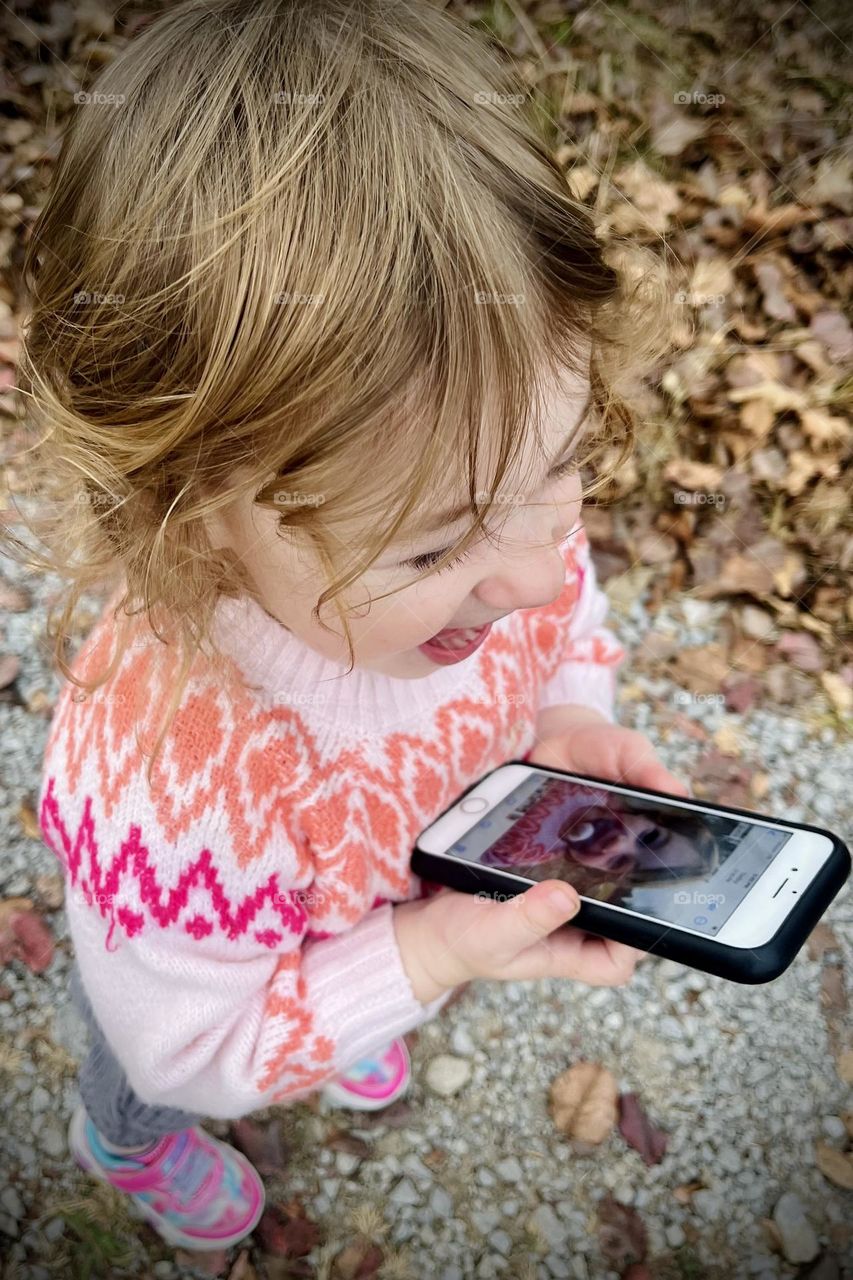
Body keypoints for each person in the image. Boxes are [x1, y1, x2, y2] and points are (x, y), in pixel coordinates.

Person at [10, 0, 688, 1253]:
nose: (540, 573)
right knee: (145, 1067)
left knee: (335, 995)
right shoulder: (174, 780)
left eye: (567, 462)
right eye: (435, 545)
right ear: (198, 514)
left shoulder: (499, 528)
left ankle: (333, 1012)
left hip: (353, 893)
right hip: (201, 985)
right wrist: (418, 959)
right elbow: (199, 1038)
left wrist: (570, 709)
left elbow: (568, 608)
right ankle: (121, 1138)